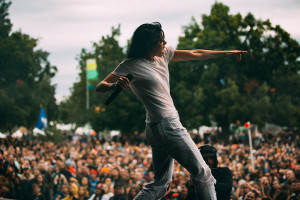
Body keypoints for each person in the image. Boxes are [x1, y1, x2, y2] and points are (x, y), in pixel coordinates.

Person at [96, 22, 247, 200]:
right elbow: (100, 86)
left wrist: (226, 53)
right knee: (203, 173)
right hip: (168, 126)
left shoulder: (164, 55)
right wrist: (115, 84)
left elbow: (195, 53)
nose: (165, 43)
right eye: (161, 40)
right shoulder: (130, 64)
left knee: (161, 184)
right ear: (149, 44)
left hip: (156, 129)